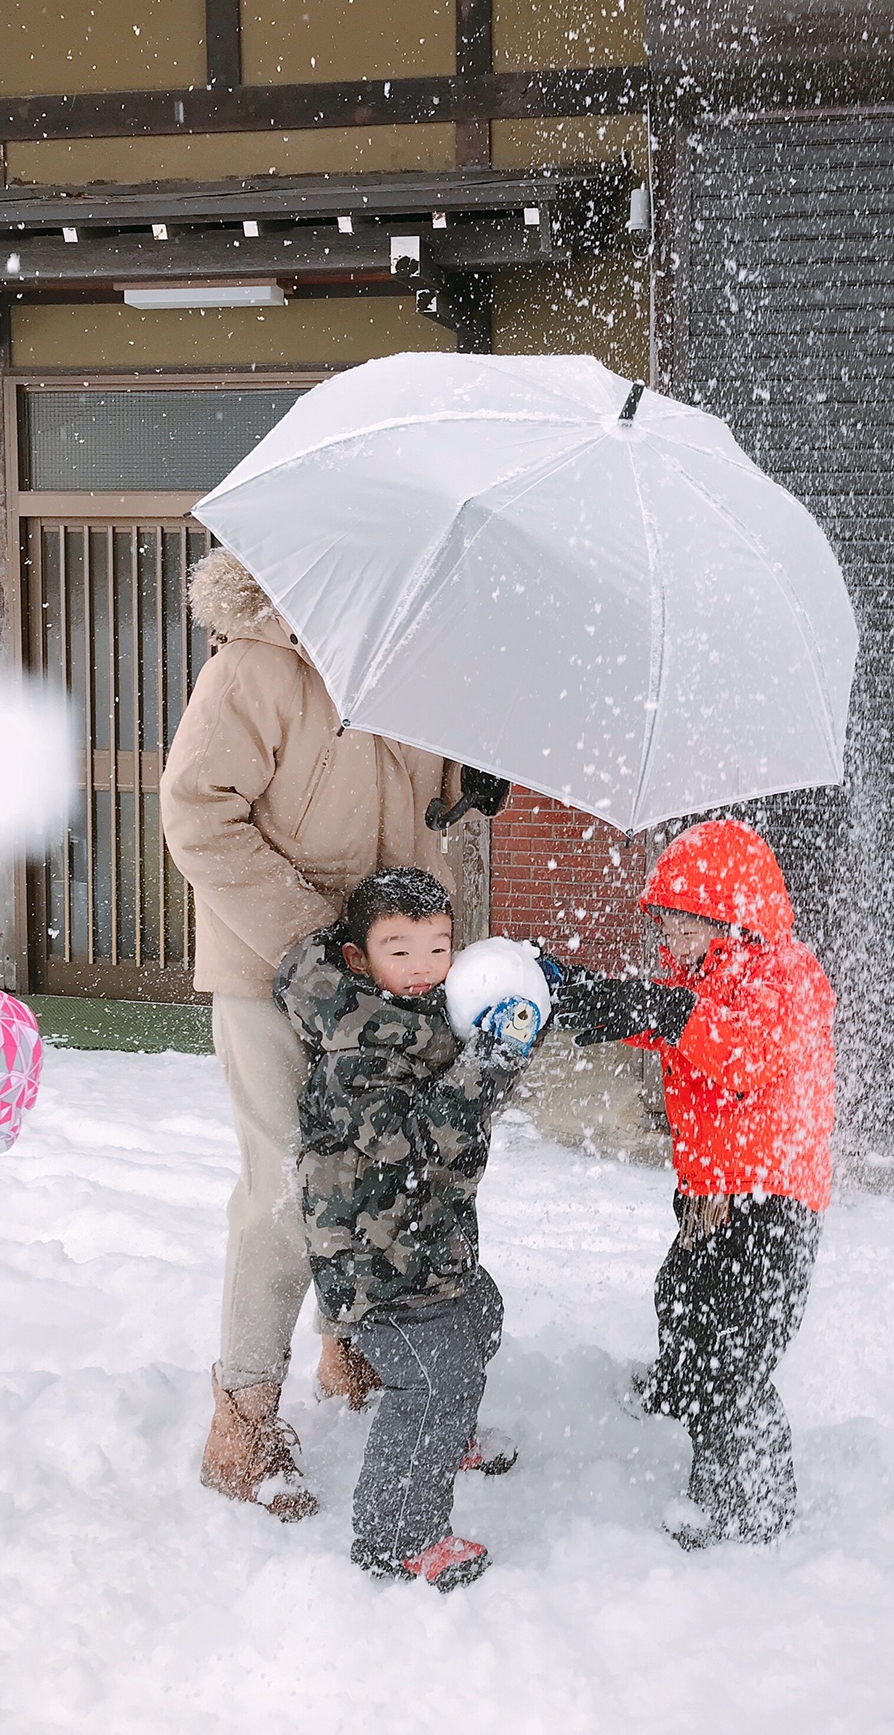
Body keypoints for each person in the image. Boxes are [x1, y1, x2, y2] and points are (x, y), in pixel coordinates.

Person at [159, 549, 509, 1519]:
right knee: (284, 1192)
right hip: (272, 969)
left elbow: (420, 803)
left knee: (385, 1172)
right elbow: (196, 817)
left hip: (389, 971)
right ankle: (244, 1419)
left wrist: (468, 777)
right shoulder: (256, 667)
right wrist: (312, 941)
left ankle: (352, 1349)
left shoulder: (418, 667)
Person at [557, 819, 836, 1548]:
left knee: (735, 1361)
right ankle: (678, 1385)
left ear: (725, 919)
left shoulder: (786, 976)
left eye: (679, 925)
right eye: (665, 924)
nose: (667, 942)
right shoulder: (705, 977)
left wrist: (662, 1009)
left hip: (772, 1208)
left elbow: (739, 1052)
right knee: (681, 1298)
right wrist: (586, 996)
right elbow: (675, 1019)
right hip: (710, 1198)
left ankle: (747, 1506)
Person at [274, 867, 537, 1590]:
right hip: (372, 1258)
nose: (422, 968)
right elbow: (420, 1142)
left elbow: (462, 1109)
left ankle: (444, 1441)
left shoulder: (424, 1022)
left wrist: (505, 1025)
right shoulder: (357, 1051)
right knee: (433, 1380)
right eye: (400, 949)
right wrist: (487, 1064)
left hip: (424, 1241)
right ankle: (396, 1538)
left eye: (438, 948)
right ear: (359, 959)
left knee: (479, 1315)